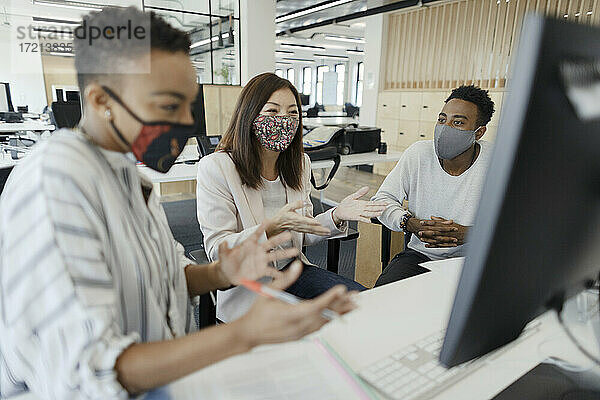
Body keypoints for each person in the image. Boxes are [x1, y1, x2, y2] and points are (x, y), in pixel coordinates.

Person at [0, 8, 356, 399]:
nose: (188, 124)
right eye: (170, 106)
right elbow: (89, 370)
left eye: (190, 105)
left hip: (157, 374)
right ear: (102, 100)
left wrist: (222, 273)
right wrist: (241, 335)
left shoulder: (126, 176)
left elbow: (167, 272)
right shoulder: (55, 185)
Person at [196, 72, 387, 322]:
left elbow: (302, 233)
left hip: (295, 273)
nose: (283, 121)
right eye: (272, 112)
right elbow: (218, 250)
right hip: (250, 286)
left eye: (292, 113)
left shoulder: (299, 162)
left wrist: (336, 214)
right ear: (249, 115)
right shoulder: (217, 167)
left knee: (366, 307)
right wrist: (272, 228)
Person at [372, 85, 495, 286]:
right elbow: (381, 201)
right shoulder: (418, 154)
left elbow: (518, 221)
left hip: (474, 259)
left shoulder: (497, 160)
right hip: (420, 255)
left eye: (457, 122)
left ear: (479, 132)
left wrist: (473, 233)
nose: (445, 128)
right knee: (382, 297)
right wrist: (409, 223)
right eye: (441, 119)